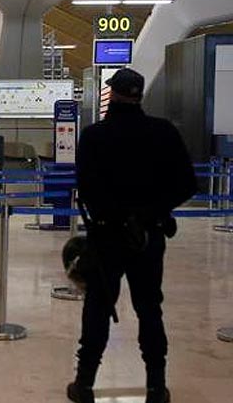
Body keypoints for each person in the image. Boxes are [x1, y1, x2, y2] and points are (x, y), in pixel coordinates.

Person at [68, 68, 197, 403]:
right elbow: (186, 184)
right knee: (149, 309)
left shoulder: (96, 136)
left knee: (97, 308)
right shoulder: (163, 132)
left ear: (111, 94)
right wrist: (149, 214)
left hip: (107, 237)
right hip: (149, 237)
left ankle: (84, 385)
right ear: (139, 95)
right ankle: (156, 386)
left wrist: (117, 217)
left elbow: (88, 188)